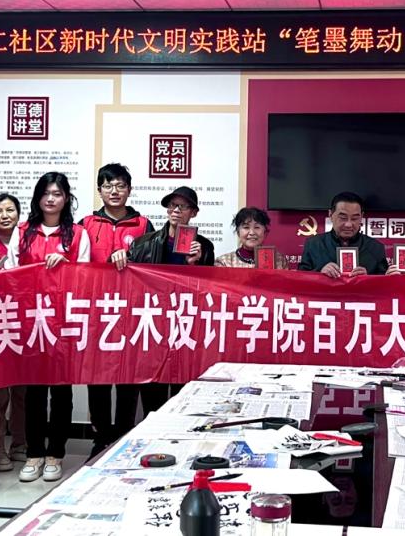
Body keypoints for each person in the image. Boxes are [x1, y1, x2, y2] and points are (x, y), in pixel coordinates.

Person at [7, 172, 89, 484]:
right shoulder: (23, 231)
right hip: (32, 320)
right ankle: (34, 453)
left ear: (66, 198)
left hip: (64, 321)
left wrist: (68, 267)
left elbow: (86, 278)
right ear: (37, 198)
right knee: (34, 392)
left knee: (62, 391)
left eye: (57, 193)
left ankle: (56, 453)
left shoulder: (77, 234)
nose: (51, 199)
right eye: (45, 193)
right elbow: (11, 274)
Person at [81, 163, 154, 458]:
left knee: (128, 380)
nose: (114, 191)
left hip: (131, 314)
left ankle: (123, 437)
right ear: (99, 190)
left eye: (120, 185)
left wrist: (132, 255)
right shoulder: (86, 224)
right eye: (108, 185)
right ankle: (100, 439)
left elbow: (152, 267)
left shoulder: (143, 225)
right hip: (96, 312)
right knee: (97, 379)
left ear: (129, 190)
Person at [128, 185, 214, 413]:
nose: (176, 210)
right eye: (173, 205)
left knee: (182, 393)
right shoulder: (143, 243)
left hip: (186, 326)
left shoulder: (205, 247)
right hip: (153, 325)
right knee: (153, 394)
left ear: (193, 212)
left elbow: (208, 291)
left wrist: (196, 264)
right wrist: (116, 256)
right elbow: (128, 283)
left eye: (183, 207)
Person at [0, 193, 27, 473]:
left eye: (10, 210)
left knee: (23, 392)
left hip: (26, 325)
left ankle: (20, 443)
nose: (5, 215)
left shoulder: (28, 243)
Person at [298, 192, 388, 277]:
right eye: (343, 218)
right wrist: (320, 274)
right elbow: (300, 279)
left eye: (354, 218)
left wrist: (368, 279)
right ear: (330, 215)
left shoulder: (375, 248)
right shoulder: (313, 244)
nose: (348, 224)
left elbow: (384, 283)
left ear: (361, 217)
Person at [215, 207, 289, 269]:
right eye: (246, 227)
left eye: (257, 227)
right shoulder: (224, 262)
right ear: (238, 233)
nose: (252, 233)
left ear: (265, 233)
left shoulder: (279, 261)